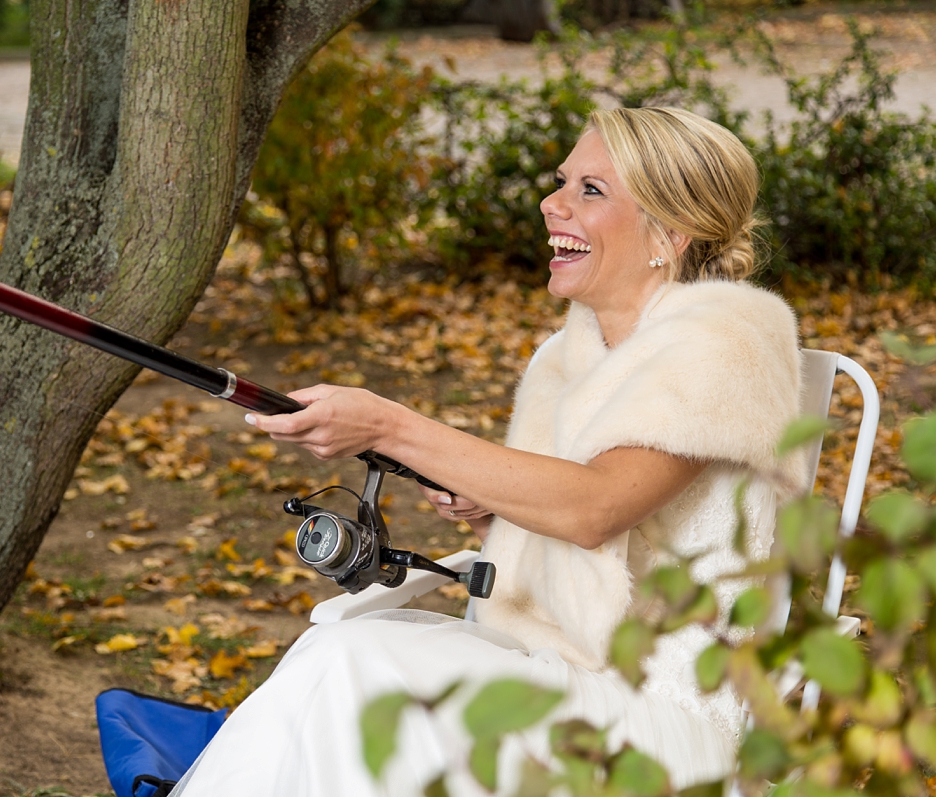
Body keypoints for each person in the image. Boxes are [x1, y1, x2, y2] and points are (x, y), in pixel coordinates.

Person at [170, 107, 805, 795]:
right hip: (552, 666)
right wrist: (491, 516)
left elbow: (595, 506)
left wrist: (389, 426)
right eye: (563, 181)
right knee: (334, 651)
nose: (551, 203)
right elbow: (582, 550)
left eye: (591, 190)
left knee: (357, 662)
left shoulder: (726, 346)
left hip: (661, 720)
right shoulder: (571, 355)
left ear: (670, 233)